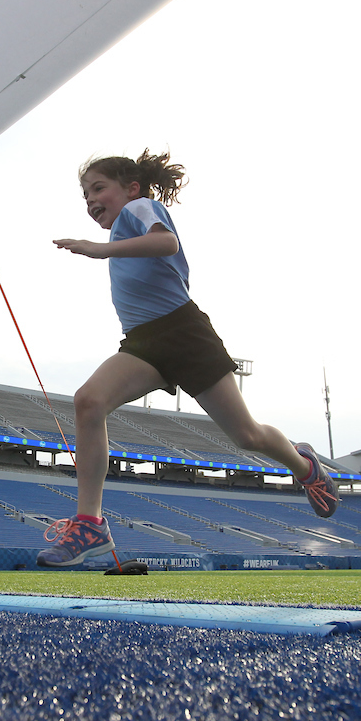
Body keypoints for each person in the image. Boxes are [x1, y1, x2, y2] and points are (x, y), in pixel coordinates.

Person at [37, 150, 338, 568]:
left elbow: (167, 242)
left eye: (98, 188)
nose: (90, 199)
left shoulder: (139, 210)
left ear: (132, 188)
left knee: (247, 436)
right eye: (84, 194)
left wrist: (101, 250)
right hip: (144, 342)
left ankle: (305, 466)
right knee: (89, 401)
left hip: (185, 334)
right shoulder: (122, 232)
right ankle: (90, 524)